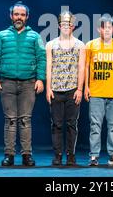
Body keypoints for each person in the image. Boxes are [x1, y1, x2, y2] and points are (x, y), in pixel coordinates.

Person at [0, 1, 46, 166]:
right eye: (16, 14)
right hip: (7, 83)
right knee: (10, 120)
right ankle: (9, 155)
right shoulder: (1, 36)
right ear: (11, 16)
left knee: (25, 120)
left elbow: (41, 58)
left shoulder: (35, 36)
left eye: (22, 14)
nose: (19, 17)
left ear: (27, 17)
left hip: (29, 83)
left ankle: (27, 155)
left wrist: (41, 79)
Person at [85, 15, 113, 166]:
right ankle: (94, 156)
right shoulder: (90, 45)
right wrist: (86, 87)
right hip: (96, 93)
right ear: (99, 29)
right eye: (104, 27)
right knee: (95, 126)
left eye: (110, 27)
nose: (107, 30)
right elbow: (86, 67)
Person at [45, 11, 85, 166]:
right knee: (56, 124)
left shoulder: (80, 45)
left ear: (73, 26)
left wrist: (80, 89)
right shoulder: (51, 44)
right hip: (55, 89)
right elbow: (49, 66)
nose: (66, 27)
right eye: (63, 24)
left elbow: (81, 68)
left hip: (72, 89)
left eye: (69, 24)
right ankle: (57, 154)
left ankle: (70, 155)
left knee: (71, 124)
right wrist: (48, 88)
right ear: (59, 25)